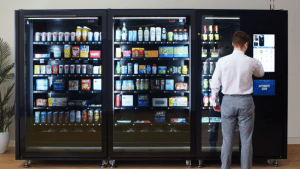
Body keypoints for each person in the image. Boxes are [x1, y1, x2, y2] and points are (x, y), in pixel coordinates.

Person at [210, 31, 264, 169]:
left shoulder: (222, 61)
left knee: (227, 140)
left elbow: (215, 83)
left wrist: (214, 102)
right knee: (246, 141)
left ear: (233, 44)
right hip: (245, 101)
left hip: (227, 101)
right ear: (246, 45)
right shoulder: (251, 61)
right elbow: (261, 74)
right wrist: (259, 62)